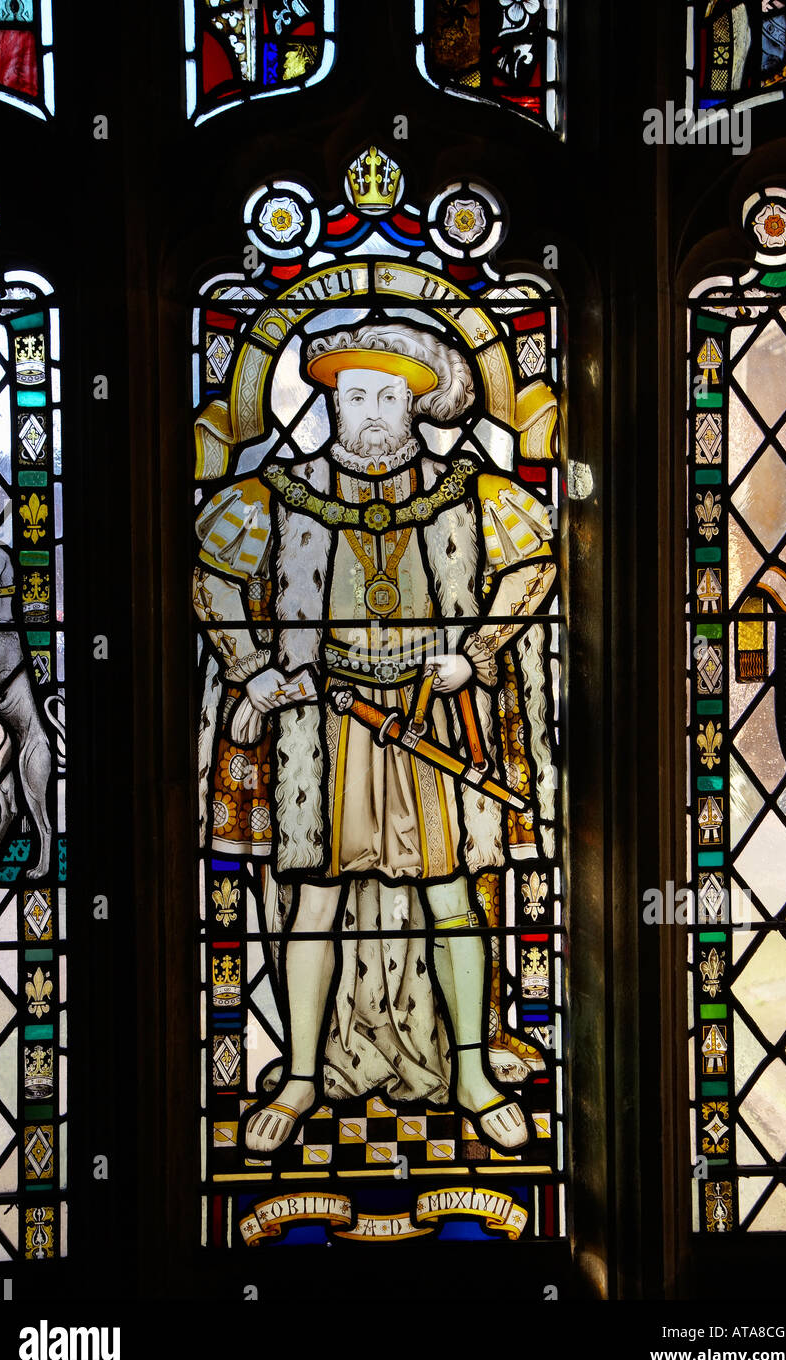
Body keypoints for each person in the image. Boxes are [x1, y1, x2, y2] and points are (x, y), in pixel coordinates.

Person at [194, 321, 556, 1152]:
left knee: (451, 899)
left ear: (415, 405)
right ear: (330, 401)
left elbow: (537, 561)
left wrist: (478, 652)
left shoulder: (466, 489)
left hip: (431, 723)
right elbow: (206, 572)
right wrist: (251, 667)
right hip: (323, 725)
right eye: (355, 395)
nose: (371, 413)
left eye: (387, 396)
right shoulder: (276, 495)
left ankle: (468, 1069)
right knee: (314, 902)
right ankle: (300, 1076)